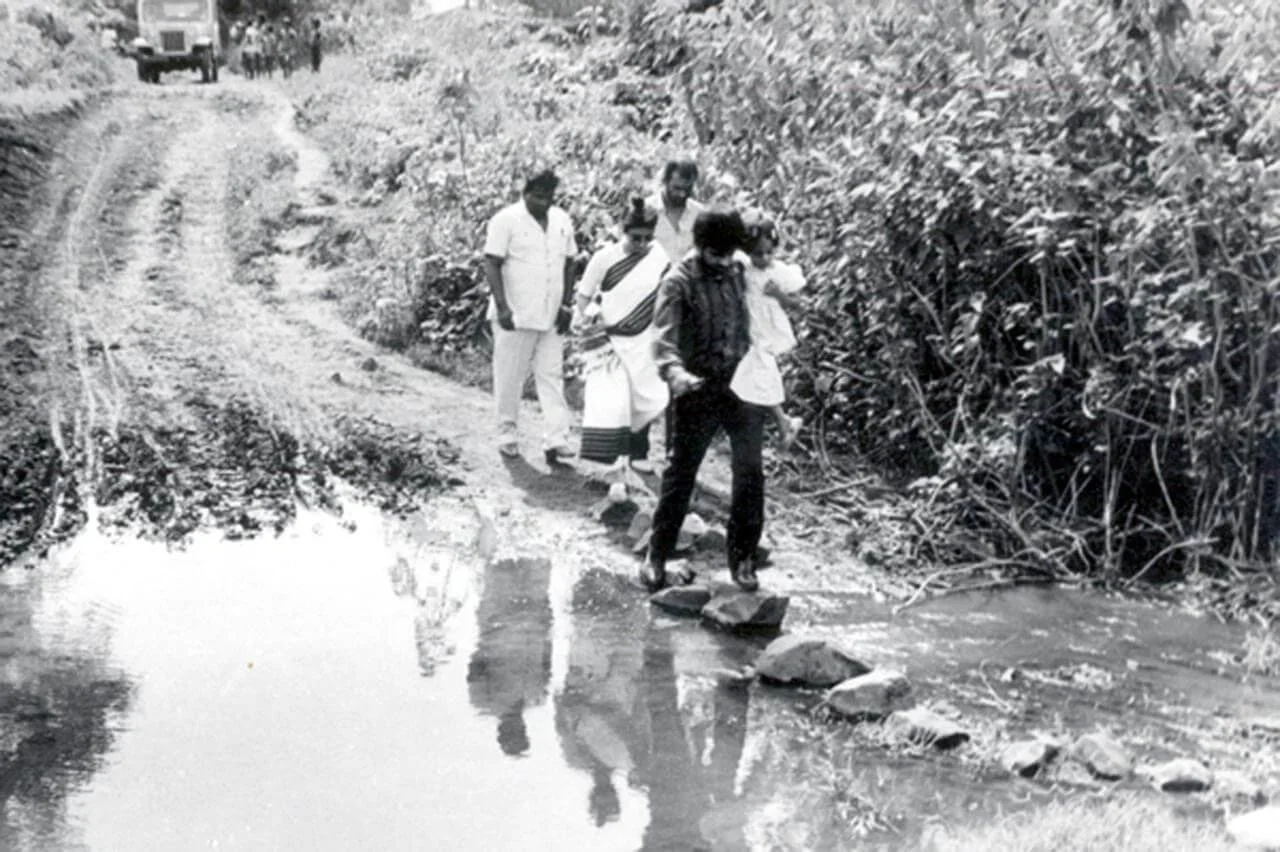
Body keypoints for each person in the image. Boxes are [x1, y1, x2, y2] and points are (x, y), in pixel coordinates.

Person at [643, 209, 767, 592]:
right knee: (682, 473)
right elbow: (663, 337)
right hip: (697, 385)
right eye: (716, 256)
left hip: (741, 384)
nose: (724, 263)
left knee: (750, 472)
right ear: (700, 249)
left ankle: (743, 558)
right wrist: (676, 374)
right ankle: (657, 554)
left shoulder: (738, 269)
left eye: (729, 255)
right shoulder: (678, 281)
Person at [482, 168, 576, 463]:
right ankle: (507, 433)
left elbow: (570, 262)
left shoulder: (561, 219)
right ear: (524, 192)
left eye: (548, 196)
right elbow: (492, 262)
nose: (543, 202)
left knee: (551, 374)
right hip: (517, 313)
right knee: (510, 375)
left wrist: (566, 305)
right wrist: (502, 306)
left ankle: (556, 438)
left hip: (552, 312)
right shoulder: (506, 220)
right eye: (537, 196)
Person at [574, 197, 670, 475]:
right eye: (635, 237)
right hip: (609, 340)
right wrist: (593, 317)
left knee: (645, 397)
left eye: (646, 238)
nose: (641, 244)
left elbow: (666, 296)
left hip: (644, 339)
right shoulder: (604, 258)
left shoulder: (658, 256)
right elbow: (583, 297)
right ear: (621, 230)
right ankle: (613, 460)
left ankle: (640, 451)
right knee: (614, 401)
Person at [731, 211, 806, 449]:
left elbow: (800, 303)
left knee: (762, 366)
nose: (763, 258)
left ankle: (783, 421)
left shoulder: (780, 272)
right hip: (749, 325)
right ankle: (781, 422)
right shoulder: (744, 266)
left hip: (767, 328)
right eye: (757, 253)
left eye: (768, 252)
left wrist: (779, 294)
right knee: (755, 370)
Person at [646, 160, 705, 265]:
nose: (682, 194)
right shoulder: (646, 209)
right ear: (665, 182)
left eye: (688, 189)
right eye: (677, 188)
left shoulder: (699, 213)